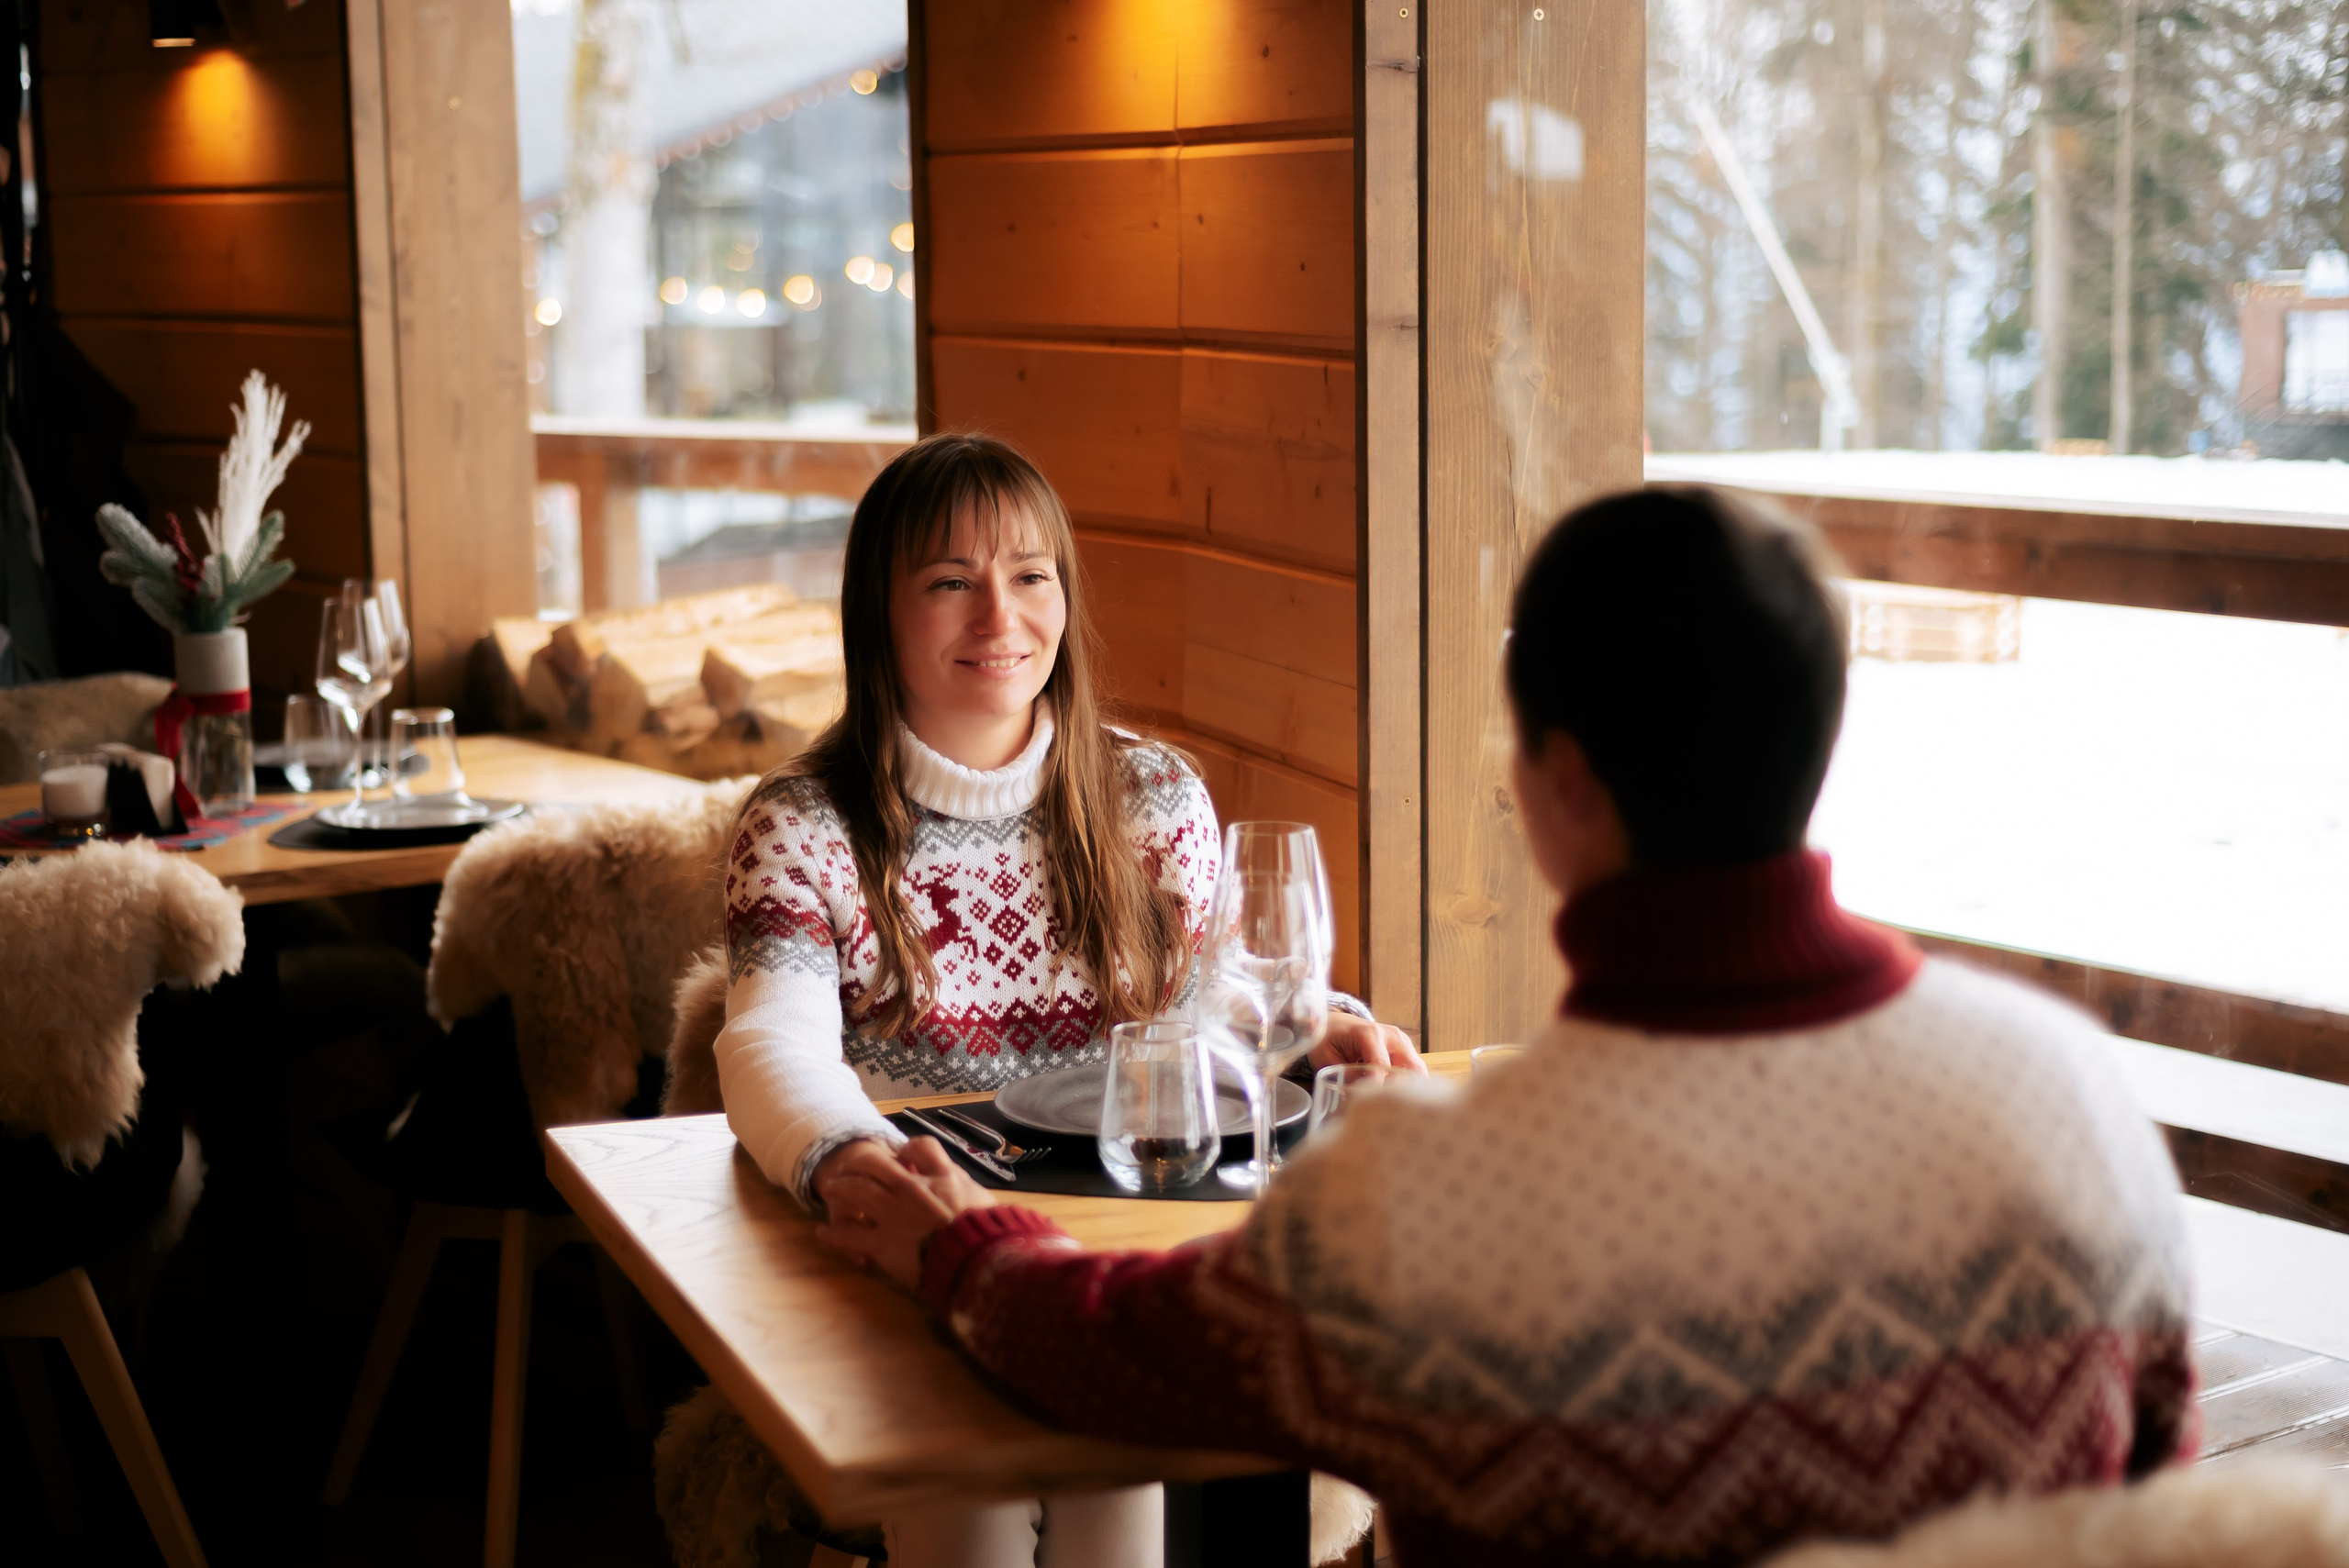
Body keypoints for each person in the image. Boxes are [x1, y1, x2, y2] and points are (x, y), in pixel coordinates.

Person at [815, 484, 2199, 1566]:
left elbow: (1108, 1349)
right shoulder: (2068, 1095)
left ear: (1556, 782)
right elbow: (2163, 1508)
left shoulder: (1436, 1196)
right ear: (1818, 733)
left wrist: (958, 1243)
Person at [710, 432, 1417, 1567]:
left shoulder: (1153, 793)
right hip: (912, 1235)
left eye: (1030, 575)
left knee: (1114, 1459)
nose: (1000, 616)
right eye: (950, 581)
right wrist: (856, 1164)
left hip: (1117, 1236)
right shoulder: (799, 822)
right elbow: (767, 1041)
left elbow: (1212, 997)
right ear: (877, 610)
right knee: (974, 1501)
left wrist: (1316, 1024)